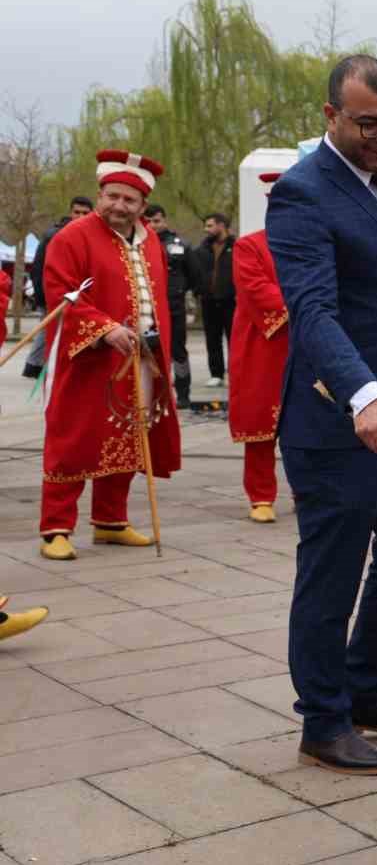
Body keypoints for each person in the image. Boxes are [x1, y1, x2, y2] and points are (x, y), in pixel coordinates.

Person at [267, 54, 377, 776]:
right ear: (330, 118)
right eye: (368, 124)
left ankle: (368, 687)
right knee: (333, 573)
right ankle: (323, 718)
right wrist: (365, 393)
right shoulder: (303, 195)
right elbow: (313, 312)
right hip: (336, 423)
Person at [38, 151, 183, 561]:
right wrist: (103, 328)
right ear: (100, 193)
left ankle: (110, 521)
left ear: (142, 206)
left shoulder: (151, 239)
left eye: (129, 200)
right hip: (88, 358)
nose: (119, 205)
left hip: (141, 357)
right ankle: (55, 528)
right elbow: (61, 295)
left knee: (129, 433)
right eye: (112, 196)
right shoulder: (72, 237)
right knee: (73, 440)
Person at [228, 173, 291, 523]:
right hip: (262, 347)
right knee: (261, 427)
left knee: (307, 426)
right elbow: (256, 290)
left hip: (308, 345)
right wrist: (306, 304)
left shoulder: (316, 245)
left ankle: (305, 490)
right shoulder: (249, 246)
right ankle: (261, 496)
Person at [21, 196, 94, 379]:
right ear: (70, 212)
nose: (80, 216)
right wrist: (43, 297)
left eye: (85, 213)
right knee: (49, 329)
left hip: (81, 297)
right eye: (77, 212)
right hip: (55, 295)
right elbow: (39, 268)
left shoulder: (92, 236)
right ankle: (36, 366)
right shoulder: (55, 235)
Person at [145, 204, 194, 408]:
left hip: (174, 306)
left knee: (178, 350)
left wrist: (180, 290)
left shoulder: (179, 244)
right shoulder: (138, 243)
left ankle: (183, 394)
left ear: (164, 220)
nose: (152, 226)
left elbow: (193, 274)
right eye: (148, 221)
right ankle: (153, 393)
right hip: (147, 307)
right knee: (149, 349)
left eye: (156, 221)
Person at [190, 211, 236, 386]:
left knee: (234, 339)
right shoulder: (201, 249)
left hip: (231, 301)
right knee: (212, 338)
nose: (205, 229)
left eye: (210, 225)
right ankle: (216, 374)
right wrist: (198, 290)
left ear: (221, 225)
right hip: (209, 301)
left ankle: (235, 372)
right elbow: (194, 272)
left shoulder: (238, 246)